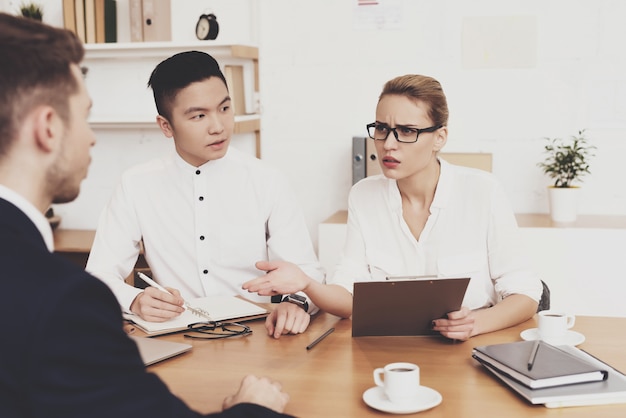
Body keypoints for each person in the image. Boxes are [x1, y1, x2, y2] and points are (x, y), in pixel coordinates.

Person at [0, 12, 291, 417]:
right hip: (187, 354)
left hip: (261, 346)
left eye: (224, 108)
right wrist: (252, 408)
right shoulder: (62, 300)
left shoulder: (267, 179)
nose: (93, 136)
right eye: (84, 117)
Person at [243, 74, 543, 341]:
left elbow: (526, 294)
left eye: (407, 131)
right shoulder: (364, 196)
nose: (388, 144)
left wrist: (476, 323)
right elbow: (348, 298)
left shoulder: (483, 191)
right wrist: (306, 283)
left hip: (469, 350)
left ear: (440, 137)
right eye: (382, 129)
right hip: (389, 350)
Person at [85, 50, 324, 339]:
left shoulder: (267, 180)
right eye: (199, 115)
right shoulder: (136, 185)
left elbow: (306, 269)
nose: (218, 126)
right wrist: (134, 300)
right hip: (179, 337)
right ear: (166, 126)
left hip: (259, 335)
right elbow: (97, 275)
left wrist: (295, 303)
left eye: (224, 108)